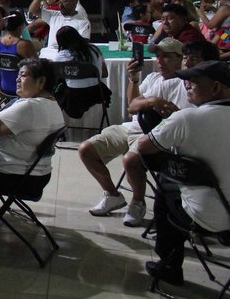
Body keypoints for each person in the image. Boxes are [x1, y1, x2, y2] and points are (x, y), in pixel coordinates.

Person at [136, 59, 230, 286]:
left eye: (192, 82)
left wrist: (173, 125)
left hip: (211, 216)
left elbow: (143, 147)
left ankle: (170, 266)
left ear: (216, 87)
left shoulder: (186, 118)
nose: (185, 85)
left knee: (165, 189)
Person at [80, 38, 189, 226]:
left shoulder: (185, 85)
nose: (160, 61)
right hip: (131, 127)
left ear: (181, 59)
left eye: (167, 57)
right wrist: (134, 81)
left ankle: (138, 202)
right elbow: (132, 106)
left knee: (131, 159)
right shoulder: (153, 78)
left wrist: (147, 103)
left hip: (156, 135)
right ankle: (112, 194)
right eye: (158, 57)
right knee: (86, 149)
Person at [0, 58, 66, 235]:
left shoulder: (31, 107)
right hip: (33, 173)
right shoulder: (51, 104)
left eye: (23, 75)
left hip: (16, 177)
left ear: (41, 82)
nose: (17, 79)